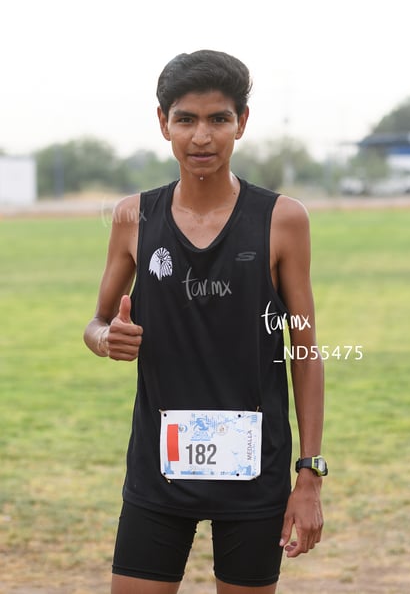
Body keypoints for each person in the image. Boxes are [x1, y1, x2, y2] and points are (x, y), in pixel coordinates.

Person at [84, 49, 326, 594]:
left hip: (254, 472)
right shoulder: (132, 216)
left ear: (241, 122)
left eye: (218, 119)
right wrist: (106, 339)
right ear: (163, 123)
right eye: (186, 119)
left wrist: (309, 472)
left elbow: (305, 353)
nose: (201, 136)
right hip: (158, 466)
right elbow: (97, 322)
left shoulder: (282, 219)